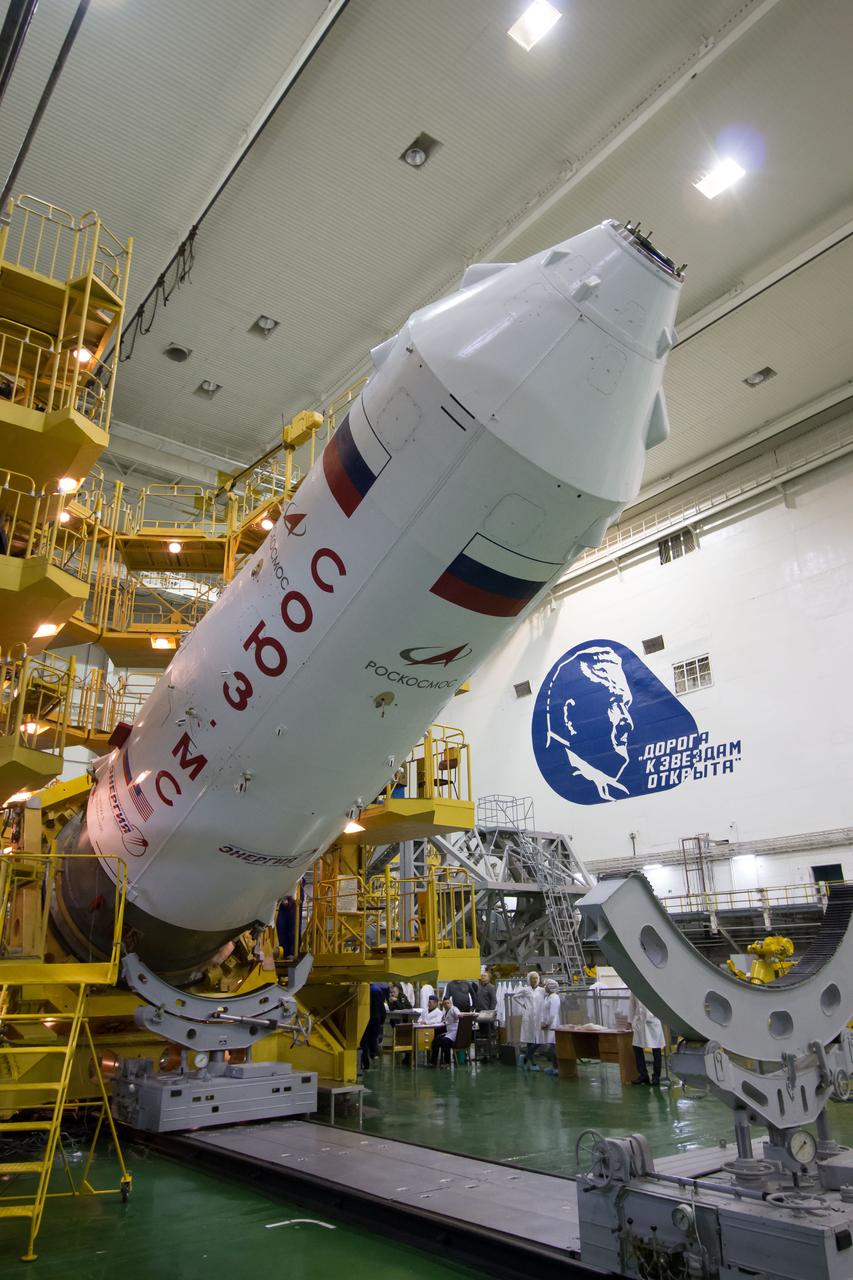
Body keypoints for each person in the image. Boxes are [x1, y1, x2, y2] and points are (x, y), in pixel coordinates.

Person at [630, 992, 665, 1085]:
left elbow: (661, 1003)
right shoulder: (634, 987)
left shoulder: (653, 985)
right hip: (639, 1022)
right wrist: (630, 1021)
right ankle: (643, 1075)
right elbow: (631, 1005)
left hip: (653, 1022)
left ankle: (656, 1077)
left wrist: (654, 1015)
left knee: (656, 1049)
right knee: (637, 1047)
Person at [517, 970, 545, 1070]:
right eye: (532, 978)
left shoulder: (542, 990)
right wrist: (523, 1005)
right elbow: (515, 997)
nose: (534, 980)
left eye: (536, 978)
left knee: (539, 1040)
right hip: (528, 1017)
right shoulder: (526, 990)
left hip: (538, 1017)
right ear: (529, 979)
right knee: (529, 1039)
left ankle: (525, 1057)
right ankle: (532, 1062)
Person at [359, 982, 387, 1071]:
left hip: (363, 1019)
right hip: (376, 1019)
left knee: (364, 1042)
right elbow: (382, 1007)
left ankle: (365, 1064)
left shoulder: (360, 989)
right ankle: (373, 1054)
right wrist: (382, 1019)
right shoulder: (377, 990)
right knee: (373, 1038)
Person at [540, 978, 562, 1076]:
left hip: (553, 1024)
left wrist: (547, 1023)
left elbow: (553, 1014)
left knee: (554, 1047)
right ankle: (554, 1067)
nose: (544, 987)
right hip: (549, 1024)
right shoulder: (548, 997)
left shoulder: (554, 997)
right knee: (552, 1046)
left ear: (550, 987)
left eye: (546, 985)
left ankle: (557, 1068)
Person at [429, 997, 460, 1066]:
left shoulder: (454, 1009)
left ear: (451, 1003)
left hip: (455, 1033)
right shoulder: (445, 1012)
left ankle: (447, 1062)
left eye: (448, 1003)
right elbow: (444, 1021)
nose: (446, 1005)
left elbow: (458, 1014)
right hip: (449, 1032)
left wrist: (459, 1015)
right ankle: (433, 1062)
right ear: (443, 1005)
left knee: (444, 1041)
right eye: (445, 1004)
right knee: (435, 1040)